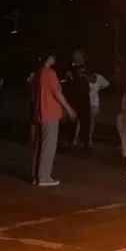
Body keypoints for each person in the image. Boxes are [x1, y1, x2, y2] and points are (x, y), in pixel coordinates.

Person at [31, 53, 76, 186]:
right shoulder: (50, 73)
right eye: (53, 57)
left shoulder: (38, 74)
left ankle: (36, 175)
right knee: (48, 146)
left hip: (39, 113)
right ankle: (44, 176)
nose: (55, 59)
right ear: (49, 58)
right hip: (50, 113)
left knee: (40, 146)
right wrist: (69, 108)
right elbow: (57, 93)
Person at [64, 49, 91, 149]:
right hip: (74, 99)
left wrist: (83, 75)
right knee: (72, 121)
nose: (75, 57)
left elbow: (90, 79)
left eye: (78, 55)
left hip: (83, 99)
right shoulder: (72, 68)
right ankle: (70, 140)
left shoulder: (86, 68)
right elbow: (68, 82)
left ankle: (84, 142)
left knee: (85, 122)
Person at [87, 71, 110, 145]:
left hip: (94, 103)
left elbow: (107, 84)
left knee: (92, 121)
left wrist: (99, 89)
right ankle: (77, 138)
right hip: (85, 102)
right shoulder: (83, 76)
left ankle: (89, 138)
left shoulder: (98, 77)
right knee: (82, 121)